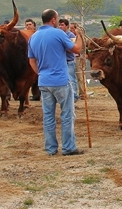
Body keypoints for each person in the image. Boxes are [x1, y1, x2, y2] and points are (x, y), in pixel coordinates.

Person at [28, 9, 85, 156]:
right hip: (60, 81)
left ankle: (51, 148)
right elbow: (77, 50)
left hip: (44, 81)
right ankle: (68, 147)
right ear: (53, 20)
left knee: (48, 116)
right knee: (67, 115)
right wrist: (79, 35)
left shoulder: (33, 37)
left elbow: (32, 60)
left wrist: (40, 73)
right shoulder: (59, 33)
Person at [60, 18, 79, 102]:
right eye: (59, 25)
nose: (60, 27)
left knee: (71, 79)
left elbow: (72, 48)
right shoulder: (59, 35)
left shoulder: (71, 35)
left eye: (62, 25)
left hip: (69, 61)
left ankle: (74, 95)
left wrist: (61, 47)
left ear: (66, 26)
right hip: (61, 61)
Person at [26, 18, 41, 101]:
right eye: (27, 25)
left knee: (37, 76)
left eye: (30, 24)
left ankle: (37, 95)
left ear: (34, 26)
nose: (28, 26)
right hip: (28, 58)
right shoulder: (23, 35)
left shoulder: (38, 34)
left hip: (38, 58)